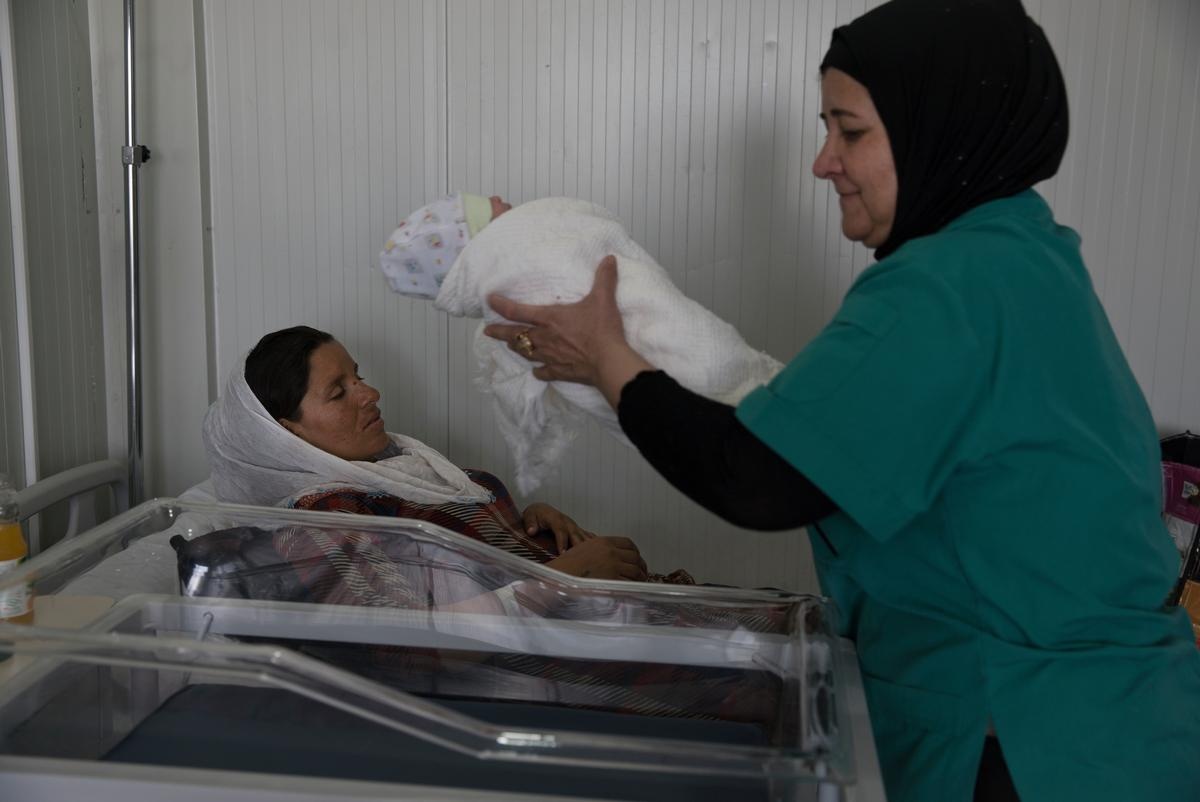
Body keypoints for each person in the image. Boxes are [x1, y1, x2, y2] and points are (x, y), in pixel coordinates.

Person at [480, 1, 1200, 801]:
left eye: (850, 132)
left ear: (938, 130)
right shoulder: (1021, 255)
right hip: (1108, 726)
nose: (824, 162)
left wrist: (607, 356)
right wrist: (595, 337)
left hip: (1036, 745)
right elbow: (805, 424)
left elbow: (760, 477)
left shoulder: (948, 286)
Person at [201, 324, 698, 585]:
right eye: (338, 392)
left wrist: (527, 523)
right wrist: (566, 576)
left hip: (624, 612)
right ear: (283, 434)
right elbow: (420, 644)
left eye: (359, 375)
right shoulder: (325, 519)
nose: (370, 393)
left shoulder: (397, 469)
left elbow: (471, 551)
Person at [379, 191, 781, 494]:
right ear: (476, 241)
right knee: (702, 369)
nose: (501, 198)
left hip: (714, 431)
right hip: (714, 432)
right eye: (487, 207)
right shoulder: (513, 261)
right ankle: (723, 381)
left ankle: (724, 384)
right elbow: (561, 283)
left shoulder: (536, 240)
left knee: (696, 367)